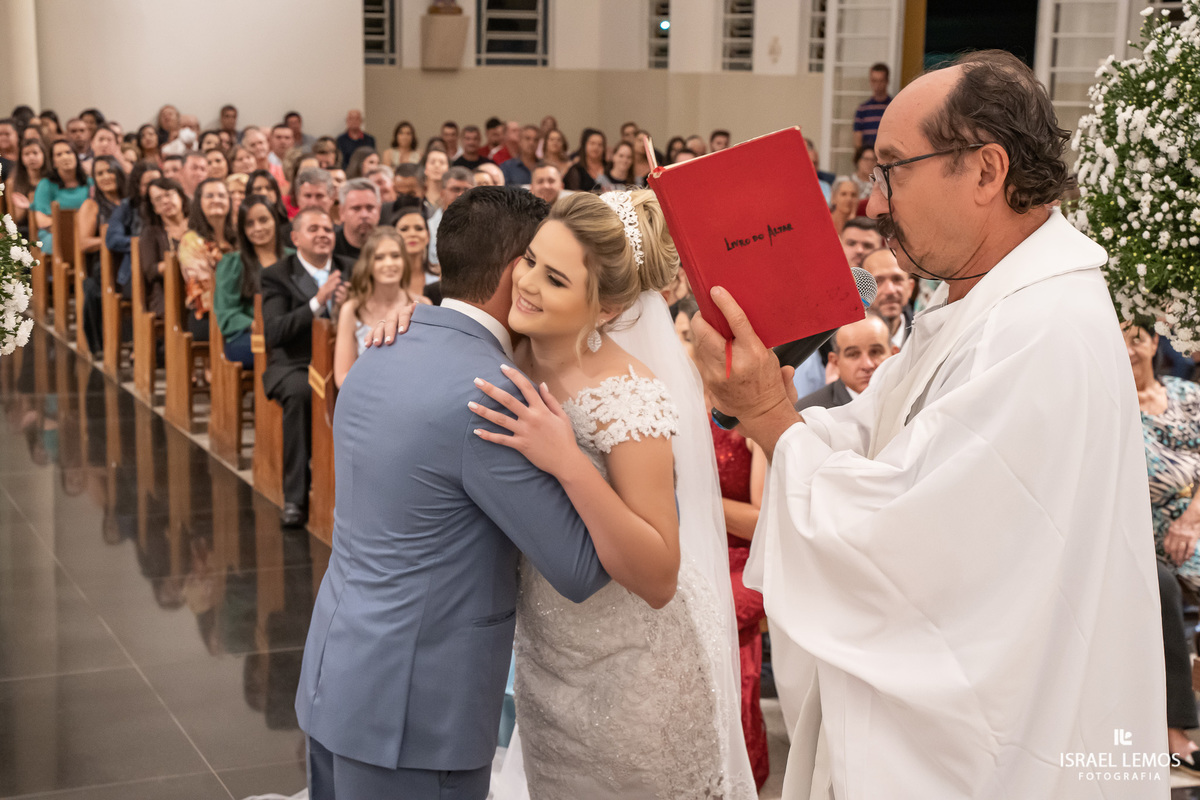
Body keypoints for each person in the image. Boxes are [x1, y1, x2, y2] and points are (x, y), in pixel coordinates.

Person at [690, 49, 1165, 798]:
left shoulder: (1043, 326)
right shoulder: (977, 304)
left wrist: (768, 414)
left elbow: (909, 538)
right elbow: (866, 440)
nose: (877, 200)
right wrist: (764, 405)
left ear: (986, 171)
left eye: (894, 169)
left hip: (998, 746)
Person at [294, 186, 603, 800]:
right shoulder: (490, 396)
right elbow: (580, 567)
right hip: (413, 712)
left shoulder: (379, 348)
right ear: (520, 273)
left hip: (336, 673)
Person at [468, 189, 755, 797]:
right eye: (529, 260)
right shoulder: (510, 345)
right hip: (551, 659)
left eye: (555, 278)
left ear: (605, 309)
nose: (526, 284)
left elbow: (657, 577)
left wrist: (569, 462)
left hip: (635, 675)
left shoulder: (629, 396)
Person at [1124, 323, 1200, 774]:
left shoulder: (1187, 393)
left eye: (1136, 337)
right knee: (1159, 584)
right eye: (1116, 339)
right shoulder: (1109, 405)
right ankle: (1176, 729)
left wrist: (1191, 520)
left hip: (1194, 521)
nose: (1128, 349)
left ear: (1155, 342)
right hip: (1143, 533)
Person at [261, 206, 351, 526]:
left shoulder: (350, 269)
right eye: (313, 229)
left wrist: (348, 308)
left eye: (327, 228)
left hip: (346, 361)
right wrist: (318, 301)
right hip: (294, 364)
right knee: (301, 395)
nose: (323, 234)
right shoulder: (276, 274)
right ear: (295, 238)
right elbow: (274, 332)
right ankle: (295, 499)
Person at [333, 228, 424, 387]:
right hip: (366, 395)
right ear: (368, 264)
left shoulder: (422, 305)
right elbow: (342, 377)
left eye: (395, 256)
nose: (389, 263)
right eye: (379, 258)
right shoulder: (351, 309)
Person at [214, 195, 292, 369]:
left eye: (263, 220)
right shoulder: (233, 263)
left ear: (275, 221)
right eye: (250, 224)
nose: (258, 228)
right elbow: (226, 312)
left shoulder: (294, 258)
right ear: (242, 230)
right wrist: (255, 323)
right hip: (246, 335)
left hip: (288, 332)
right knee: (279, 350)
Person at [75, 155, 126, 355]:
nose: (105, 177)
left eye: (110, 171)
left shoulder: (130, 202)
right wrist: (113, 242)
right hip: (105, 266)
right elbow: (83, 243)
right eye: (100, 174)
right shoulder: (92, 205)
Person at [795, 312, 894, 410]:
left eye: (875, 352)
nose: (867, 365)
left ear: (894, 354)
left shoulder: (908, 400)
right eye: (853, 354)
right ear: (835, 362)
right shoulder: (807, 413)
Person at [177, 177, 235, 344]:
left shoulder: (238, 238)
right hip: (208, 315)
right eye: (210, 196)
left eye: (221, 196)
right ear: (199, 203)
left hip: (239, 311)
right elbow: (205, 288)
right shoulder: (191, 240)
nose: (216, 200)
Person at [107, 160, 161, 297]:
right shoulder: (128, 207)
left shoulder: (167, 207)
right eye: (148, 184)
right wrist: (143, 244)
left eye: (158, 182)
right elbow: (113, 239)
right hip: (134, 271)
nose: (154, 188)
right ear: (138, 186)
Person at [139, 177, 190, 317]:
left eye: (168, 194)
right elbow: (150, 270)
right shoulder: (151, 233)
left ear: (180, 196)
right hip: (168, 292)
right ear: (154, 208)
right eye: (158, 199)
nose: (165, 201)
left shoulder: (197, 226)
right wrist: (180, 263)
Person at [32, 138, 91, 255]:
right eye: (59, 154)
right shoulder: (46, 184)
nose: (65, 157)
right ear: (53, 162)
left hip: (86, 231)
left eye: (69, 152)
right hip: (54, 232)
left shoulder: (89, 182)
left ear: (76, 156)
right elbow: (41, 220)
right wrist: (69, 228)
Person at [861, 247, 913, 350]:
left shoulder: (928, 339)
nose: (890, 291)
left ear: (910, 288)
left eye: (897, 279)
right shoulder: (838, 341)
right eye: (877, 281)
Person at [426, 167, 474, 270]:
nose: (461, 195)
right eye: (455, 189)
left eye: (466, 190)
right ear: (442, 193)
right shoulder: (427, 227)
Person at [394, 206, 439, 303]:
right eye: (404, 229)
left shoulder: (440, 277)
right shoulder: (384, 279)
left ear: (428, 236)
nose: (412, 234)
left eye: (419, 228)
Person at [334, 178, 381, 262]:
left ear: (379, 211)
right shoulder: (330, 249)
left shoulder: (389, 246)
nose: (364, 215)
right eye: (356, 208)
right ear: (342, 212)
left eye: (370, 208)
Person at [8, 137, 46, 238]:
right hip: (25, 228)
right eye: (27, 154)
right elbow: (16, 217)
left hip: (47, 225)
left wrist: (31, 204)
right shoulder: (14, 183)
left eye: (35, 153)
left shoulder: (51, 180)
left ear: (44, 155)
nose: (31, 157)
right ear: (21, 158)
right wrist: (27, 206)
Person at [853, 61, 892, 149]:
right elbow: (857, 140)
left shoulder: (893, 107)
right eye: (874, 81)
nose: (877, 85)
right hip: (867, 156)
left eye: (880, 81)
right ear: (870, 81)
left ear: (887, 81)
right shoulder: (862, 109)